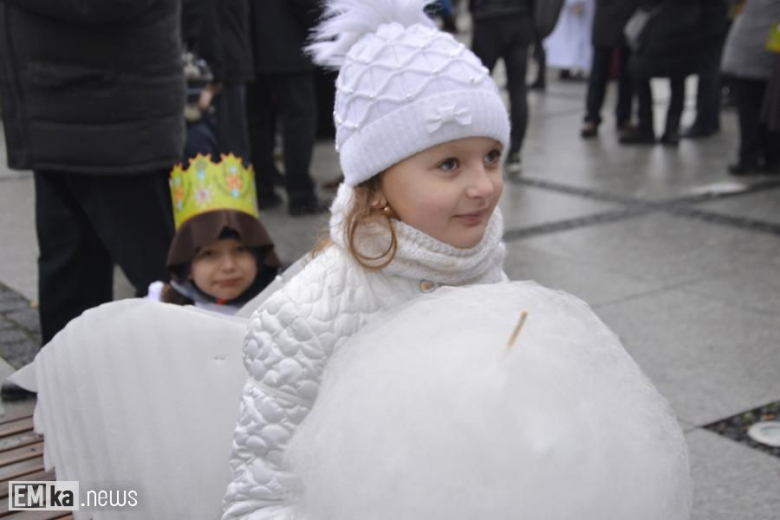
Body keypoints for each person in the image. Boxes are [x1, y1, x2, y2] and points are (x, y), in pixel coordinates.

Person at [222, 0, 510, 516]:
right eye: (449, 163)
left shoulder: (485, 267)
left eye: (492, 156)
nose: (484, 185)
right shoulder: (308, 318)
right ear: (376, 185)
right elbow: (260, 497)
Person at [0, 1, 184, 346]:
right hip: (65, 108)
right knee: (68, 266)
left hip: (110, 114)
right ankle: (63, 373)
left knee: (155, 269)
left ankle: (195, 370)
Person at [148, 154, 281, 315]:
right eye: (209, 254)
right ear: (186, 266)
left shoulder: (281, 307)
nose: (229, 266)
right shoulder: (162, 311)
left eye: (240, 250)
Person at [245, 0, 329, 216]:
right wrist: (319, 31)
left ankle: (263, 191)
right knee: (299, 120)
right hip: (289, 44)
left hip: (251, 47)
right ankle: (300, 193)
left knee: (258, 122)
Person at [620, 0, 726, 147]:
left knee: (640, 73)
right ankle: (671, 130)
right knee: (677, 79)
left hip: (657, 29)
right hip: (685, 29)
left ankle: (647, 126)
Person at [181, 0, 255, 160]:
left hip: (217, 69)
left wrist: (215, 78)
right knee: (232, 150)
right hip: (227, 63)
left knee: (224, 149)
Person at [469, 0, 535, 175]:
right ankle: (515, 152)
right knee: (518, 89)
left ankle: (477, 149)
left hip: (488, 19)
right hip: (519, 18)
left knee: (475, 88)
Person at [721, 0, 780, 175]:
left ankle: (753, 158)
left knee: (753, 107)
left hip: (745, 46)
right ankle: (763, 158)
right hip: (764, 48)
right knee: (765, 108)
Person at [581, 0, 642, 138]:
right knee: (599, 71)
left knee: (627, 72)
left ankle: (624, 116)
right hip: (606, 11)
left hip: (630, 12)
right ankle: (592, 117)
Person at [544, 0, 596, 80]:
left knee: (575, 38)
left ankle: (573, 67)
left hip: (582, 8)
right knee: (573, 38)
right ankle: (571, 67)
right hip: (576, 8)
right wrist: (575, 2)